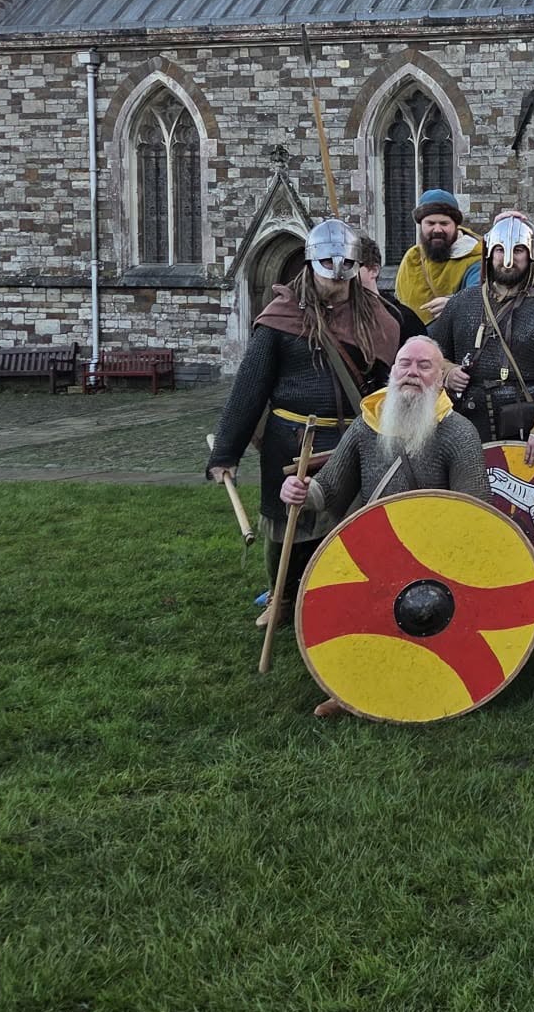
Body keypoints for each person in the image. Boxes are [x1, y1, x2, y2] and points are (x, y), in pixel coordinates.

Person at [278, 335, 493, 716]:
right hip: (373, 554)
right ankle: (348, 689)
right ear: (392, 371)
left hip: (438, 558)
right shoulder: (367, 427)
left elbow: (474, 512)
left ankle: (435, 684)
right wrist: (301, 490)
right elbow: (329, 491)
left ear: (440, 378)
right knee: (352, 613)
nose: (412, 373)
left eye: (424, 366)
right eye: (404, 364)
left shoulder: (458, 433)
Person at [208, 218, 404, 620]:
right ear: (311, 263)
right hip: (290, 438)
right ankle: (280, 599)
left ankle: (341, 598)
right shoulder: (282, 316)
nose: (335, 279)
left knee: (348, 523)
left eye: (344, 269)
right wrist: (225, 452)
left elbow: (387, 383)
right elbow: (249, 388)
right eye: (327, 268)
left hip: (352, 439)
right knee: (286, 528)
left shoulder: (375, 317)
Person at [426, 213, 534, 463]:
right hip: (467, 419)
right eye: (499, 250)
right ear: (489, 254)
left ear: (530, 255)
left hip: (526, 426)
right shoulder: (462, 303)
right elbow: (430, 352)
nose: (508, 260)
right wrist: (447, 371)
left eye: (518, 250)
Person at [394, 188, 482, 321]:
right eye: (430, 223)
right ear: (421, 225)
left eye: (444, 223)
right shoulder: (412, 258)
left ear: (455, 225)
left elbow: (478, 297)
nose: (437, 229)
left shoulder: (475, 257)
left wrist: (454, 304)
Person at [356, 234, 426, 344]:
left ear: (374, 270)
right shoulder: (328, 317)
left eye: (350, 265)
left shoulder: (404, 320)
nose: (340, 274)